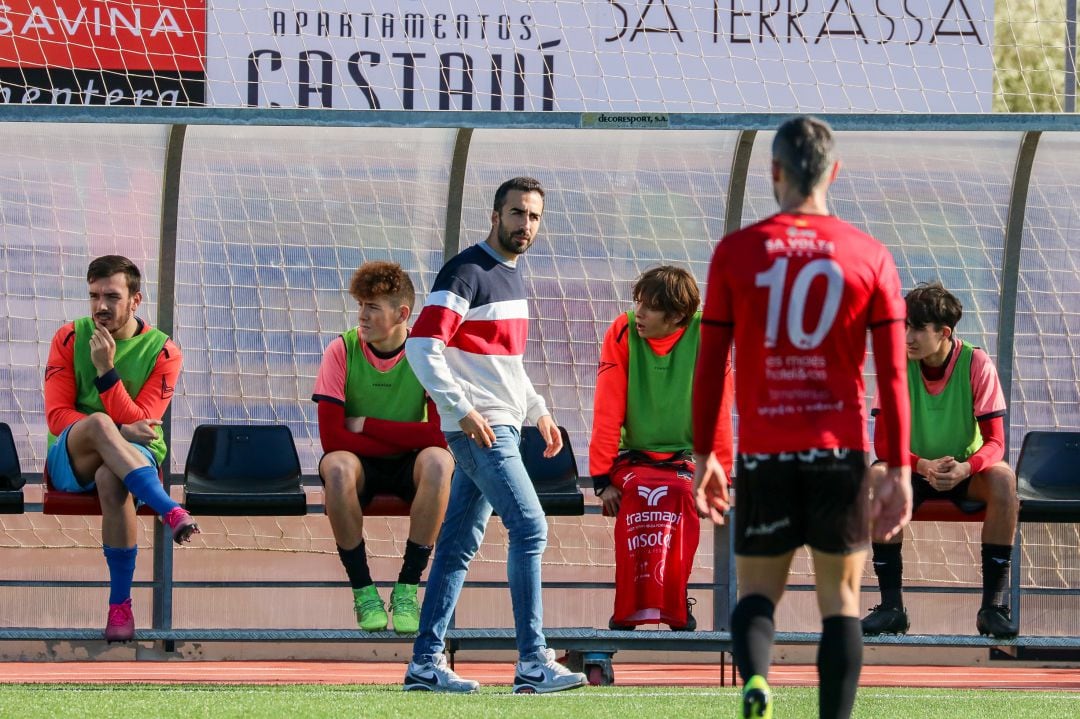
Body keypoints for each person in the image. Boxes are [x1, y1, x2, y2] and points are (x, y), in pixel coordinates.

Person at [691, 116, 912, 719]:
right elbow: (893, 378)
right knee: (840, 600)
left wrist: (707, 452)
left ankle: (758, 682)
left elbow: (710, 368)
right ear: (834, 172)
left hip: (765, 454)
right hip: (837, 453)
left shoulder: (737, 252)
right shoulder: (869, 254)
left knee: (758, 592)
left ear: (774, 173)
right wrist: (897, 467)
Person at [401, 177, 587, 694]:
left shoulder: (511, 277)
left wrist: (540, 411)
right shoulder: (466, 272)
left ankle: (425, 664)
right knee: (530, 528)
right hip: (481, 430)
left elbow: (507, 364)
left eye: (533, 216)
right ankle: (532, 662)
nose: (524, 225)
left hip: (504, 422)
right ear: (494, 215)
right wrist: (459, 410)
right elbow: (421, 347)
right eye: (516, 214)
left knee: (458, 544)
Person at [43, 255, 199, 643]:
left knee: (111, 480)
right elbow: (58, 416)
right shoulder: (68, 337)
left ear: (135, 300)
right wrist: (114, 428)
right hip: (72, 455)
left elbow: (145, 424)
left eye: (112, 296)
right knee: (95, 424)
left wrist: (106, 371)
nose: (100, 307)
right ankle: (168, 508)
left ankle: (120, 607)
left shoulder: (164, 351)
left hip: (134, 458)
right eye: (94, 296)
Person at [862, 281, 1019, 639]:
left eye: (917, 328)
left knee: (1004, 479)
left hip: (964, 470)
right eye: (903, 326)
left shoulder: (976, 363)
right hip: (911, 469)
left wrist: (966, 467)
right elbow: (883, 444)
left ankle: (992, 608)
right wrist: (922, 466)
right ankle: (891, 609)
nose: (907, 336)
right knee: (877, 477)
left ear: (944, 332)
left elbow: (996, 442)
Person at [312, 261, 454, 634]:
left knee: (440, 462)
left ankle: (408, 586)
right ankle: (363, 589)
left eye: (372, 307)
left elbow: (441, 437)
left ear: (402, 314)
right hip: (359, 463)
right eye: (360, 305)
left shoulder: (426, 356)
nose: (361, 316)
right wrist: (405, 434)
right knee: (338, 466)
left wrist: (367, 425)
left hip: (408, 464)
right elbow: (333, 440)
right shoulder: (340, 350)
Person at [590, 265, 734, 631]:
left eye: (651, 308)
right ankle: (628, 608)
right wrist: (601, 479)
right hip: (633, 459)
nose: (640, 314)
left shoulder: (707, 336)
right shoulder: (622, 331)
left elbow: (719, 409)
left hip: (686, 460)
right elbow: (608, 408)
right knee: (637, 492)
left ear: (678, 317)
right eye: (639, 303)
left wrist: (720, 477)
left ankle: (675, 605)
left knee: (681, 494)